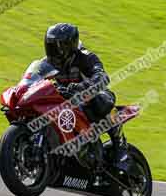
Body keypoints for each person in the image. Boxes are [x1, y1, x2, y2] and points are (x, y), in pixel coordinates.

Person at [43, 23, 130, 172]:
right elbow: (35, 79)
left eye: (58, 46)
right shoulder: (47, 63)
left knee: (102, 101)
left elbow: (102, 77)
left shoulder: (85, 57)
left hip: (91, 96)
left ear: (70, 45)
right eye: (51, 46)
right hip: (67, 103)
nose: (54, 51)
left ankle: (120, 148)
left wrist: (81, 87)